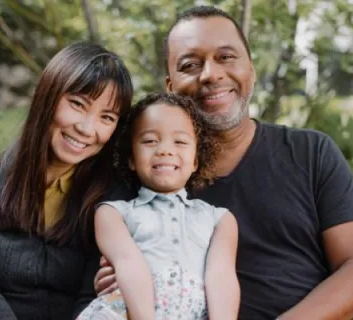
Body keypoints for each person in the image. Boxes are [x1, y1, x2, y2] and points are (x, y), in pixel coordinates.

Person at [94, 6, 353, 320]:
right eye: (190, 64)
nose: (210, 74)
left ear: (251, 70)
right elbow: (113, 269)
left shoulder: (311, 152)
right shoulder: (148, 172)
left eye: (226, 57)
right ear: (171, 87)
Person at [0, 41, 133, 320]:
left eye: (107, 117)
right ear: (48, 96)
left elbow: (91, 301)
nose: (86, 129)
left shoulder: (110, 201)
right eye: (78, 104)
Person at [77, 92, 239, 320]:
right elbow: (128, 264)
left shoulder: (220, 219)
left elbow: (221, 277)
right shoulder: (113, 213)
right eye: (150, 141)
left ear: (195, 161)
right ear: (131, 158)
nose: (165, 150)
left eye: (180, 142)